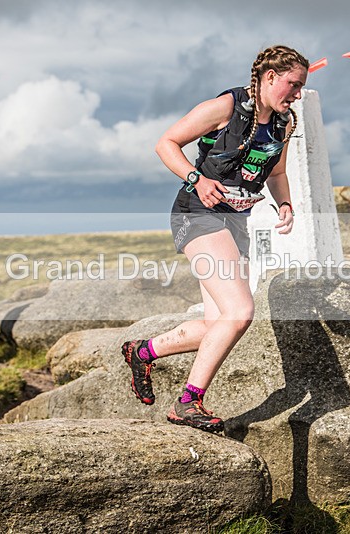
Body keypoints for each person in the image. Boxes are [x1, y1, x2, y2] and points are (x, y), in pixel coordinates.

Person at [120, 45, 308, 432]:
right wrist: (198, 178)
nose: (298, 93)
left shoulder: (284, 123)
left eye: (301, 86)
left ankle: (144, 351)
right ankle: (188, 402)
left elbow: (276, 173)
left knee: (218, 324)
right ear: (270, 77)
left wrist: (285, 204)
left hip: (235, 223)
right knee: (240, 312)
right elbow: (165, 143)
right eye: (293, 84)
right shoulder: (227, 107)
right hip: (198, 213)